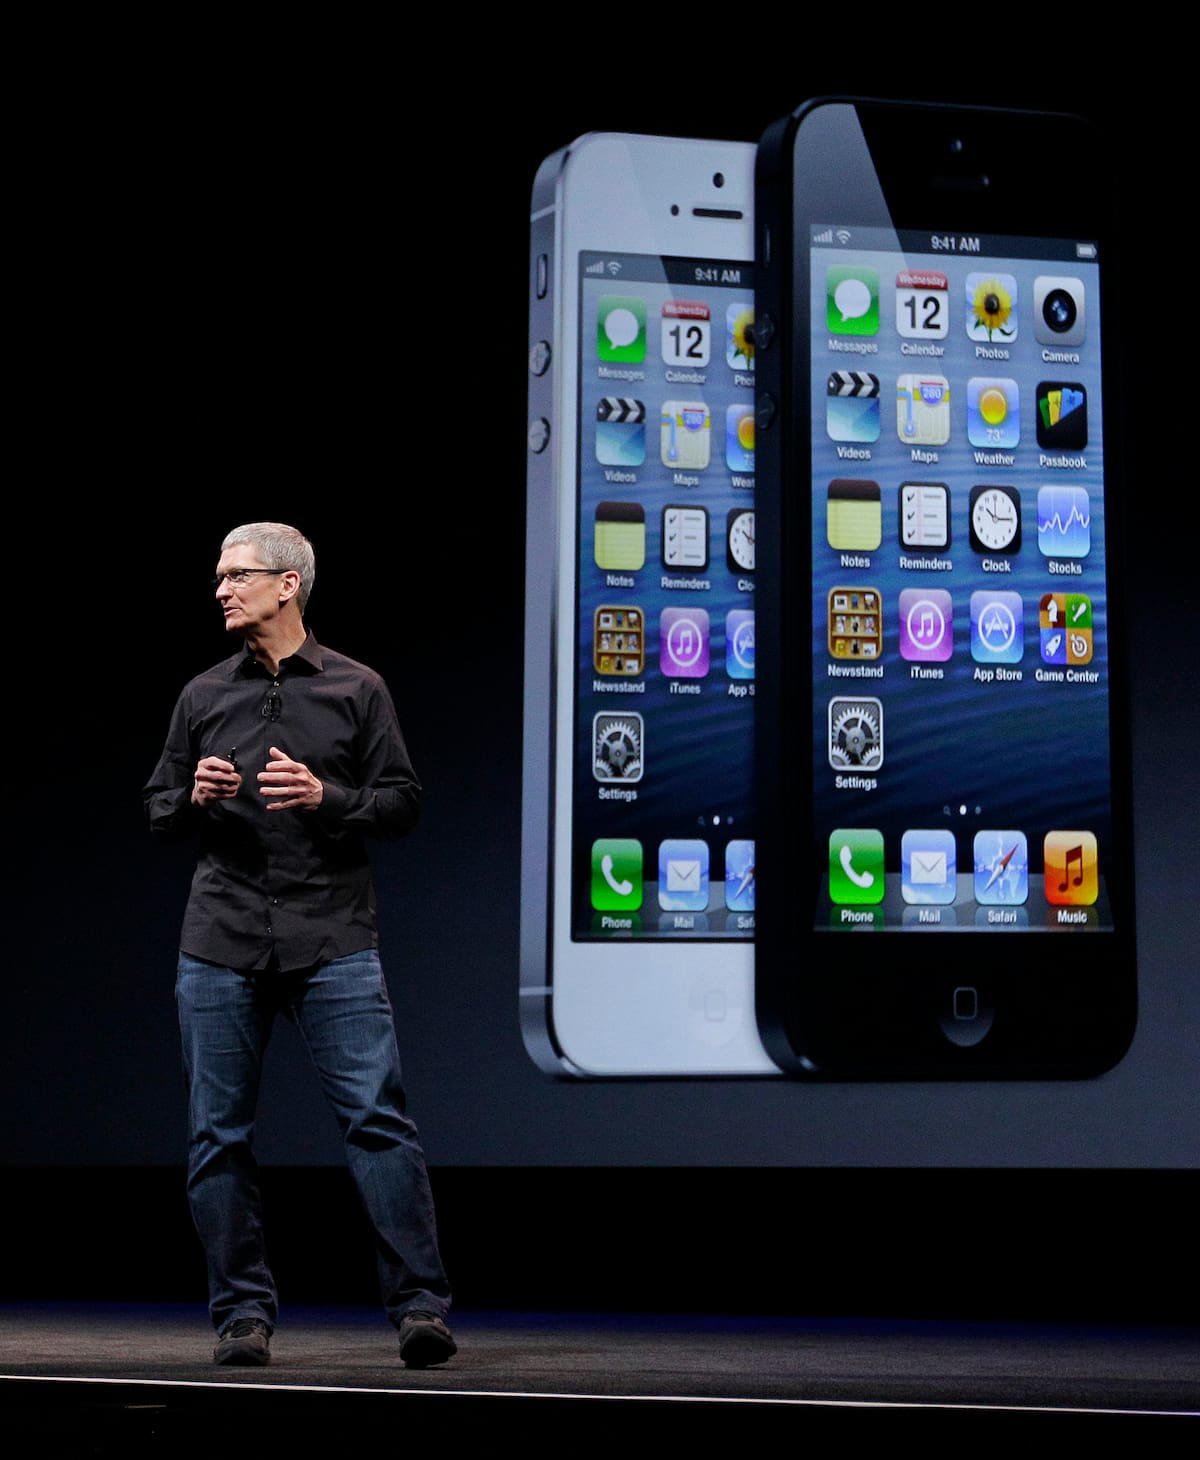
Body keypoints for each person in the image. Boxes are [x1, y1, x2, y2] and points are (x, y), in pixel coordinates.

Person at [144, 522, 454, 1368]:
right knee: (218, 1133)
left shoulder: (357, 689)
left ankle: (420, 1309)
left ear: (288, 585)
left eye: (236, 575)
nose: (220, 589)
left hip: (332, 937)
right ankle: (241, 1316)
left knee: (377, 1123)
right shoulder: (202, 696)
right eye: (217, 575)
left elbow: (402, 803)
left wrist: (328, 796)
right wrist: (193, 798)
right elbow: (157, 808)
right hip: (220, 939)